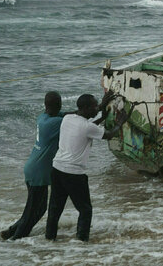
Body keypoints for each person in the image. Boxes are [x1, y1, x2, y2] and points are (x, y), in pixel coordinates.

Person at [45, 93, 129, 242]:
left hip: (57, 169)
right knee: (85, 210)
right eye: (94, 106)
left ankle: (49, 239)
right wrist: (120, 122)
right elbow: (108, 135)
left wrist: (102, 112)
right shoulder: (87, 126)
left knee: (55, 209)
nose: (97, 108)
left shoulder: (67, 118)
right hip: (74, 174)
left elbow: (88, 127)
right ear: (85, 108)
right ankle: (81, 242)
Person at [0, 92, 67, 241]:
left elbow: (67, 114)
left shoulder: (43, 118)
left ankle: (11, 231)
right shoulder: (55, 123)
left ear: (45, 105)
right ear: (60, 104)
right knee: (32, 211)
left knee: (36, 208)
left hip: (33, 168)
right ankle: (16, 240)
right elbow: (75, 119)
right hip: (39, 172)